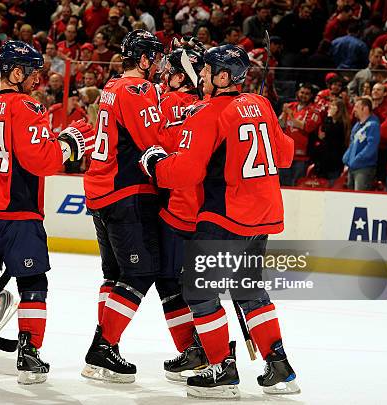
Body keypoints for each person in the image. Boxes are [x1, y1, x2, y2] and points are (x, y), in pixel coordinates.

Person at [139, 44, 300, 399]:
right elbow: (286, 154)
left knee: (198, 291)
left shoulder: (208, 112)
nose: (204, 77)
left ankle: (222, 369)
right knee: (249, 290)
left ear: (224, 77)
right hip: (263, 216)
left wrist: (155, 165)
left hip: (227, 216)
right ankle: (280, 366)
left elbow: (186, 172)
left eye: (209, 71)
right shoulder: (260, 104)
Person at [0, 40, 93, 385]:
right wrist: (70, 143)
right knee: (34, 282)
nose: (38, 80)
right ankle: (29, 352)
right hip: (17, 210)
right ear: (16, 73)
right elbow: (43, 161)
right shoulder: (28, 106)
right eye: (33, 73)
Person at [81, 29, 167, 383]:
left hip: (101, 191)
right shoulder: (138, 89)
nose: (158, 65)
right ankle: (103, 347)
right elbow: (154, 142)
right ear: (143, 59)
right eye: (154, 58)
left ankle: (103, 351)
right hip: (126, 192)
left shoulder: (112, 86)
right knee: (139, 274)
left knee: (113, 276)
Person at [156, 39, 208, 381]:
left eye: (172, 73)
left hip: (180, 205)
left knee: (170, 282)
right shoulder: (211, 105)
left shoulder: (172, 101)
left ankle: (196, 349)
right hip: (210, 209)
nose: (165, 78)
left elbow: (158, 140)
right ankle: (209, 347)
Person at [279, 83, 320, 186]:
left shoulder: (313, 111)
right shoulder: (290, 106)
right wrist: (284, 113)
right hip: (286, 155)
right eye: (302, 92)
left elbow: (307, 127)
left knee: (298, 186)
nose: (304, 95)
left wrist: (291, 116)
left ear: (311, 96)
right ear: (297, 92)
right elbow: (280, 125)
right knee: (283, 186)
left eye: (307, 94)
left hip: (302, 158)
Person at [342, 97, 380, 191]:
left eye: (357, 107)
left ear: (365, 108)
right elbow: (351, 144)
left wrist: (357, 159)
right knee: (351, 197)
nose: (354, 109)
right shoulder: (357, 125)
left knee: (360, 197)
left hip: (364, 168)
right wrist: (346, 158)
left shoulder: (373, 125)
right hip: (352, 167)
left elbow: (371, 147)